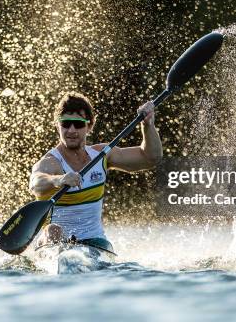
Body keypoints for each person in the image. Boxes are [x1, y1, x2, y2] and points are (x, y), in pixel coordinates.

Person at [29, 92, 162, 251]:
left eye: (78, 124)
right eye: (65, 123)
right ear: (58, 125)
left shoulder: (102, 155)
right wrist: (58, 180)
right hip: (54, 243)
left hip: (95, 243)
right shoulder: (51, 162)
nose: (71, 130)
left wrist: (148, 125)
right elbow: (35, 183)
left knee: (101, 246)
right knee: (53, 230)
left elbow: (150, 158)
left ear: (89, 126)